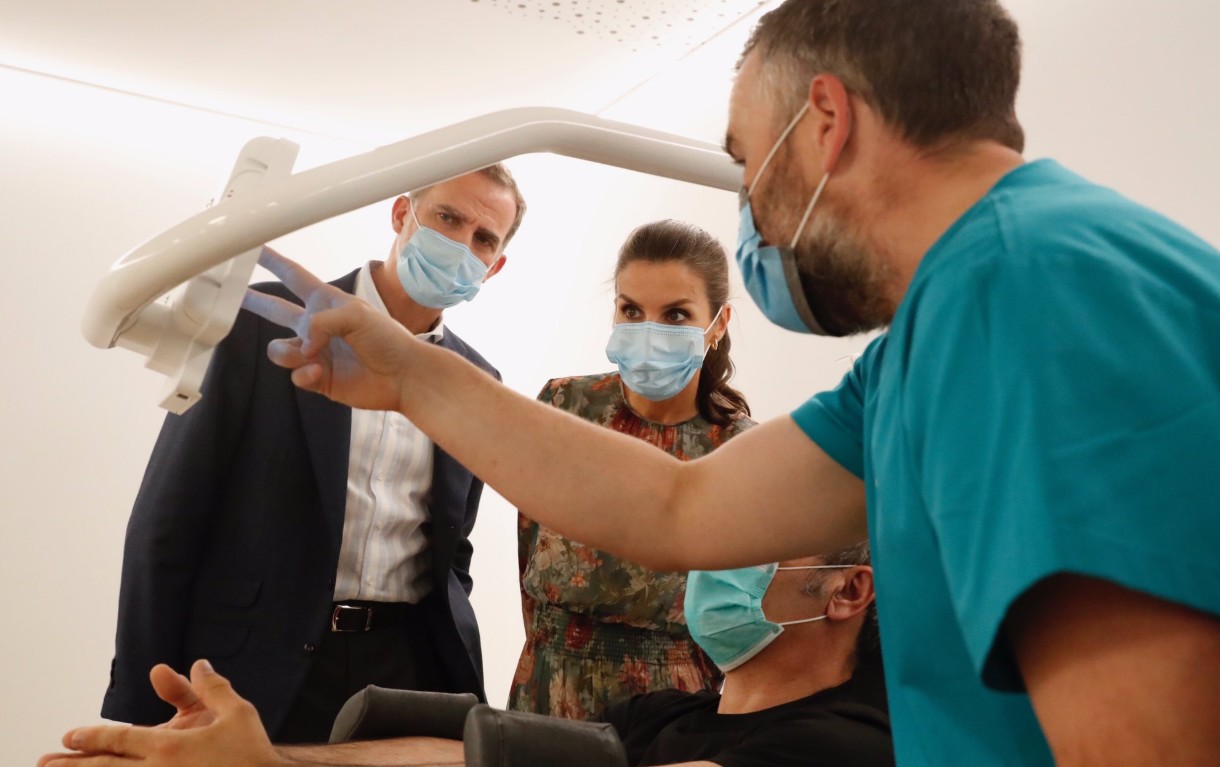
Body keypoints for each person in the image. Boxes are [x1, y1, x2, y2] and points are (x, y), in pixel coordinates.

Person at [75, 0, 1220, 762]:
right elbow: (681, 505)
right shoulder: (932, 336)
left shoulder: (1036, 288)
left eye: (744, 160)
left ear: (823, 122)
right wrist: (413, 374)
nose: (748, 207)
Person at [102, 166, 528, 743]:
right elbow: (169, 515)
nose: (460, 244)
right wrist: (144, 700)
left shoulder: (477, 379)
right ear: (402, 214)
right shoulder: (262, 322)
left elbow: (452, 547)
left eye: (483, 238)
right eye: (448, 218)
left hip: (411, 665)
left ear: (495, 266)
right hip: (259, 657)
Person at [41, 546, 893, 767]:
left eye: (754, 543)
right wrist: (264, 754)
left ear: (847, 589)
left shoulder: (849, 740)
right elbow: (479, 751)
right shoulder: (663, 713)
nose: (715, 560)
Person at [510, 220, 755, 719]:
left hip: (671, 700)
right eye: (632, 310)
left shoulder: (737, 449)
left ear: (718, 324)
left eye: (676, 315)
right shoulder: (564, 406)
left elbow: (742, 613)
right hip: (547, 680)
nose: (648, 331)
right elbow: (527, 550)